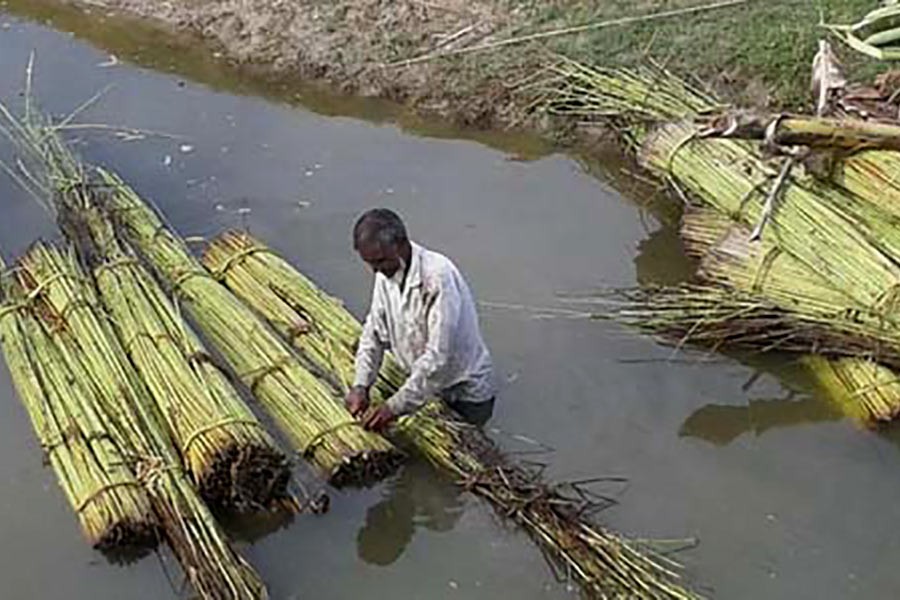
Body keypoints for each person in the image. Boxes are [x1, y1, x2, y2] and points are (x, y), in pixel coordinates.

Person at [345, 208, 496, 431]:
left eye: (379, 261)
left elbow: (438, 358)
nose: (374, 270)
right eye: (369, 263)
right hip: (425, 385)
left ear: (400, 244)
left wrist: (392, 408)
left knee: (468, 449)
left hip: (464, 392)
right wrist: (361, 385)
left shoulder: (437, 277)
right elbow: (373, 333)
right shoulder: (385, 273)